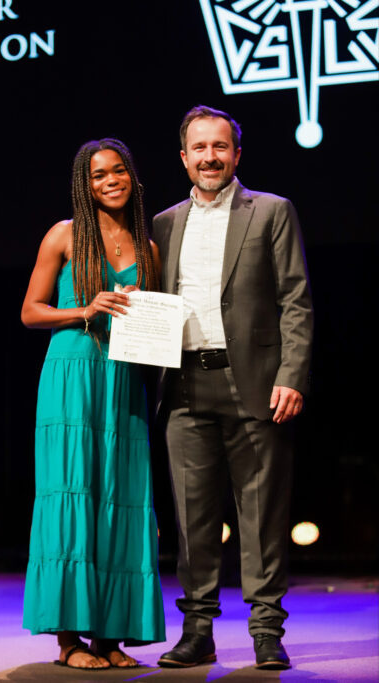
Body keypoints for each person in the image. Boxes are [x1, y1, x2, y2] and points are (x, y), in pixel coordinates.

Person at [153, 106, 313, 670]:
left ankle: (267, 630)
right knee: (192, 518)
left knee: (262, 512)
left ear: (236, 154)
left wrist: (291, 374)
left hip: (256, 383)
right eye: (199, 148)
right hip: (185, 386)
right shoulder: (164, 223)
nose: (210, 157)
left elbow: (296, 300)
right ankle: (198, 629)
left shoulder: (270, 211)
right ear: (184, 158)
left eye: (220, 147)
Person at [21, 138, 165, 670]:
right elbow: (30, 312)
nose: (110, 180)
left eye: (118, 170)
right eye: (98, 174)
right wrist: (85, 307)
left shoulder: (147, 248)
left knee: (120, 500)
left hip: (123, 378)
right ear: (85, 184)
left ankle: (110, 636)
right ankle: (67, 640)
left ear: (133, 177)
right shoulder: (64, 235)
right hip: (72, 373)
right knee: (72, 494)